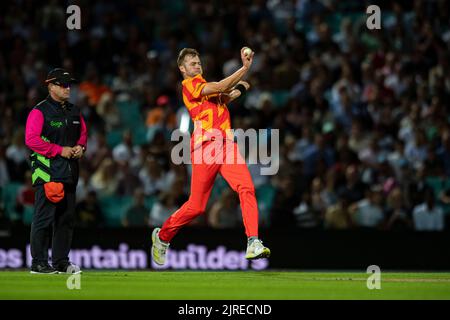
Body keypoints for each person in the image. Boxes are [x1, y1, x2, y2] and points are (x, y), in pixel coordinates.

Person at [151, 47, 270, 265]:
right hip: (205, 148)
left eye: (198, 62)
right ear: (182, 69)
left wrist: (242, 86)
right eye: (192, 63)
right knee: (196, 206)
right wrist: (244, 69)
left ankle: (253, 241)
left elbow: (227, 95)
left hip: (226, 145)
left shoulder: (208, 90)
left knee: (247, 188)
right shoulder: (190, 85)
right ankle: (162, 236)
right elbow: (222, 86)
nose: (197, 65)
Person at [25, 68, 87, 274]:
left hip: (70, 172)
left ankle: (61, 261)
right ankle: (39, 262)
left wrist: (81, 147)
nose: (67, 88)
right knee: (44, 218)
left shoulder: (75, 111)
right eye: (62, 84)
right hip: (48, 171)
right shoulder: (39, 111)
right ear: (50, 86)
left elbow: (83, 134)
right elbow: (31, 140)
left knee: (65, 219)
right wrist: (60, 150)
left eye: (68, 84)